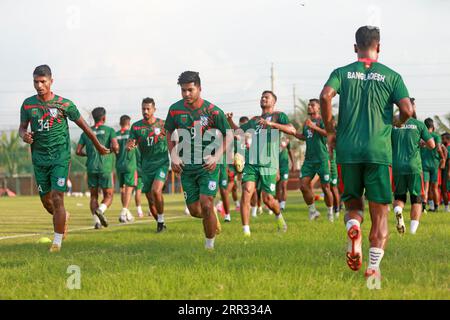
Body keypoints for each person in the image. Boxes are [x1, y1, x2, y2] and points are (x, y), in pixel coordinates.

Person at [320, 26, 414, 280]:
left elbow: (326, 96)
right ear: (379, 47)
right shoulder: (391, 76)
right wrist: (396, 122)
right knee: (380, 211)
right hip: (379, 152)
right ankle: (373, 269)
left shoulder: (341, 72)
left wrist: (330, 131)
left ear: (355, 47)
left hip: (348, 150)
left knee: (352, 204)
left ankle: (353, 228)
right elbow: (407, 108)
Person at [19, 65, 109, 252]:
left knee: (57, 197)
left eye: (43, 81)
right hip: (39, 159)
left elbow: (85, 127)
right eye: (36, 81)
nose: (39, 85)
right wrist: (23, 135)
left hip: (60, 158)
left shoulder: (65, 104)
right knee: (47, 202)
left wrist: (98, 145)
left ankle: (57, 242)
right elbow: (22, 127)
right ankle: (64, 216)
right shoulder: (28, 105)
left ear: (51, 81)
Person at [164, 71, 231, 249]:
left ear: (199, 88)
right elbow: (169, 132)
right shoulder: (174, 109)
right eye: (183, 90)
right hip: (186, 167)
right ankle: (212, 217)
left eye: (190, 90)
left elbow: (229, 135)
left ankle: (209, 247)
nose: (186, 94)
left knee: (207, 204)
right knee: (195, 211)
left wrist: (216, 156)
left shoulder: (212, 111)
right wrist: (174, 155)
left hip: (207, 166)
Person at [227, 91, 296, 237]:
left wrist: (271, 124)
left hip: (269, 163)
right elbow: (238, 132)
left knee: (268, 199)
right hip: (251, 163)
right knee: (246, 192)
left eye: (267, 97)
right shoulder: (255, 119)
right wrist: (230, 121)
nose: (263, 98)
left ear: (274, 101)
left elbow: (292, 130)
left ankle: (280, 219)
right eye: (262, 97)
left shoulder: (279, 116)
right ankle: (246, 232)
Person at [391, 98, 435, 235]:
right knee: (416, 199)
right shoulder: (419, 125)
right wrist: (421, 143)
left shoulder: (393, 125)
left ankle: (398, 210)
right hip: (414, 167)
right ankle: (412, 232)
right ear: (412, 107)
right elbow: (432, 145)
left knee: (399, 197)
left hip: (397, 166)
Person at [127, 98, 169, 233]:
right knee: (151, 200)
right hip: (146, 167)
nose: (145, 111)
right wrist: (130, 146)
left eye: (148, 109)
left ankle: (161, 222)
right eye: (143, 109)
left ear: (154, 109)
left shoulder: (163, 124)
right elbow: (130, 142)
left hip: (161, 164)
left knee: (156, 191)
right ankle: (160, 222)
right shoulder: (136, 127)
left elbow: (175, 137)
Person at [76, 107, 119, 229]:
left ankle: (96, 222)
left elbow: (78, 151)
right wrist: (113, 150)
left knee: (94, 196)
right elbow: (116, 147)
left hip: (91, 167)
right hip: (105, 167)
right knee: (109, 195)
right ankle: (100, 210)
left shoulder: (85, 133)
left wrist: (88, 154)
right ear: (104, 118)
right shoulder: (110, 130)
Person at [294, 99, 334, 222]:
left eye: (312, 105)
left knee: (326, 188)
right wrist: (293, 133)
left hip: (322, 159)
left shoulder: (323, 120)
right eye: (309, 105)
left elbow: (328, 134)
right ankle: (313, 211)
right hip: (309, 160)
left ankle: (330, 212)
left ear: (318, 108)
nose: (309, 107)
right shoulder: (307, 123)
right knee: (303, 186)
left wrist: (314, 127)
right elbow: (305, 137)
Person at [420, 118, 445, 212]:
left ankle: (424, 206)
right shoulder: (436, 136)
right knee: (435, 187)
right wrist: (443, 158)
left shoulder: (422, 136)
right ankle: (436, 207)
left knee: (425, 187)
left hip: (424, 164)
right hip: (434, 164)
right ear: (432, 126)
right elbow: (439, 148)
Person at [115, 115, 137, 223]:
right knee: (129, 188)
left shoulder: (116, 135)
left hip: (119, 165)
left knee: (122, 189)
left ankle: (126, 213)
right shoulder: (131, 134)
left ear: (120, 123)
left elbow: (114, 148)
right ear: (129, 123)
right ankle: (124, 212)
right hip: (130, 164)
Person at [276, 136, 294, 212]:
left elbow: (290, 151)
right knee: (277, 187)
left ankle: (282, 205)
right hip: (276, 167)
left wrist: (293, 163)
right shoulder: (273, 139)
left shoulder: (286, 139)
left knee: (284, 185)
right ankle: (278, 203)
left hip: (285, 167)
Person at [442, 133, 450, 212]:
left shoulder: (448, 148)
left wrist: (448, 172)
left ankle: (447, 207)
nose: (442, 140)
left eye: (443, 139)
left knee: (444, 189)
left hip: (447, 170)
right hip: (445, 170)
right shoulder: (446, 147)